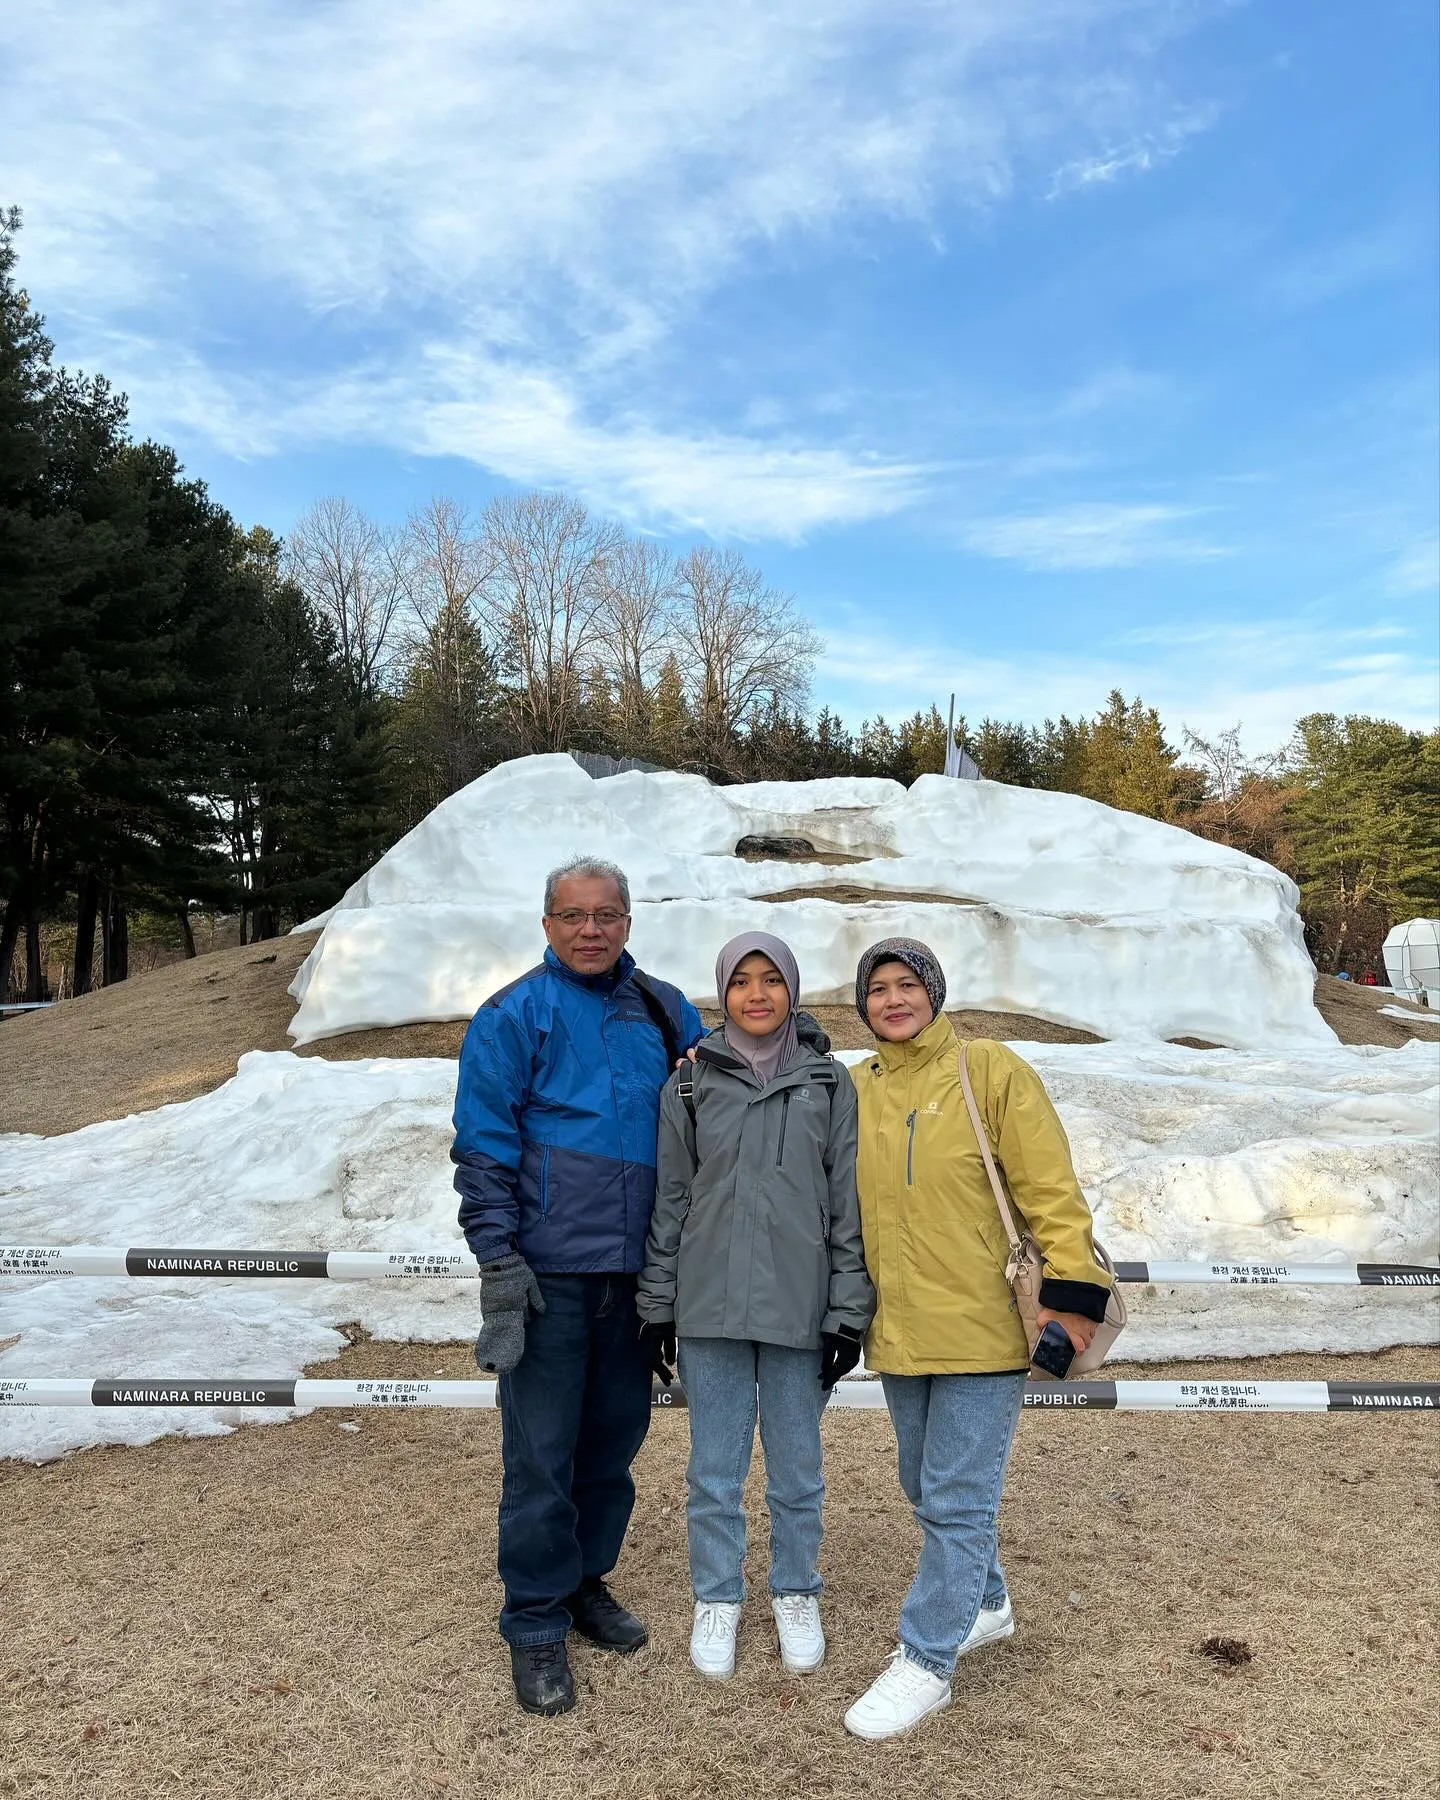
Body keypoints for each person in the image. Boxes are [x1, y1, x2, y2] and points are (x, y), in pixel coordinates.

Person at [841, 938, 1113, 1742]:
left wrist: (1069, 1308)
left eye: (907, 984)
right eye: (877, 989)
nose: (893, 999)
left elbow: (1051, 1194)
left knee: (958, 1498)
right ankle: (986, 1604)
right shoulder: (855, 1088)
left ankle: (927, 1660)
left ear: (934, 991)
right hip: (898, 1330)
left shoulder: (988, 1070)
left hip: (987, 1328)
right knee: (923, 1485)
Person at [451, 857, 704, 1718]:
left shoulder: (666, 1011)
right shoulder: (511, 1015)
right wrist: (500, 1262)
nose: (590, 929)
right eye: (572, 915)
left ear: (629, 922)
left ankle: (586, 1581)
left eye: (606, 915)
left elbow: (728, 1091)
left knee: (611, 1449)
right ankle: (532, 1620)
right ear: (547, 923)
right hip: (549, 1277)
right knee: (540, 1459)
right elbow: (482, 1148)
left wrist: (802, 1042)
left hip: (636, 1279)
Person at [637, 931, 875, 1682]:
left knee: (797, 1471)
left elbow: (847, 1206)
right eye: (741, 981)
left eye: (772, 979)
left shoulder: (831, 1084)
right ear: (723, 993)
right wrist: (658, 1305)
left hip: (799, 1310)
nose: (757, 993)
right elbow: (670, 1201)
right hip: (709, 1308)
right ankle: (718, 1596)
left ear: (793, 990)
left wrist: (847, 1311)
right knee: (714, 1470)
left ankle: (796, 1589)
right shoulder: (688, 1084)